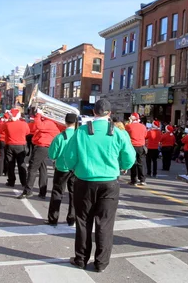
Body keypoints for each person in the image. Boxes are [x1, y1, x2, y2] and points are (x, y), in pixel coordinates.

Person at [64, 99, 135, 272]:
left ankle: (81, 259)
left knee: (83, 222)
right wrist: (122, 166)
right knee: (105, 223)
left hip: (85, 181)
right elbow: (129, 158)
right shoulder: (118, 133)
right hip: (109, 182)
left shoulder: (81, 131)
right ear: (109, 114)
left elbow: (69, 156)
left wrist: (77, 168)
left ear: (94, 113)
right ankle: (101, 263)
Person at [45, 113, 77, 226]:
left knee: (57, 192)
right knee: (74, 194)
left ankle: (53, 218)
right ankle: (72, 218)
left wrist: (55, 159)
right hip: (76, 169)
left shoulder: (60, 137)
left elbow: (52, 154)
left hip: (62, 168)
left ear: (65, 122)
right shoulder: (79, 136)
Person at [19, 110, 59, 199]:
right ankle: (42, 192)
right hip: (43, 147)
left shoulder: (49, 122)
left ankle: (28, 191)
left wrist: (38, 115)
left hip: (42, 147)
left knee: (32, 168)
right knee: (43, 169)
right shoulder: (49, 123)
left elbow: (39, 126)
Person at [4, 109, 30, 188]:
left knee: (10, 164)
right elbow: (27, 132)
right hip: (21, 146)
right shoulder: (24, 124)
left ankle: (11, 181)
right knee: (21, 164)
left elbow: (2, 129)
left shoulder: (7, 124)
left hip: (10, 145)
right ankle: (23, 182)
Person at [125, 113, 147, 186]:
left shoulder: (128, 126)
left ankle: (134, 180)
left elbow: (126, 135)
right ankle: (142, 179)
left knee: (133, 163)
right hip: (141, 146)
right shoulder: (143, 126)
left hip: (132, 146)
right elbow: (145, 135)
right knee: (141, 163)